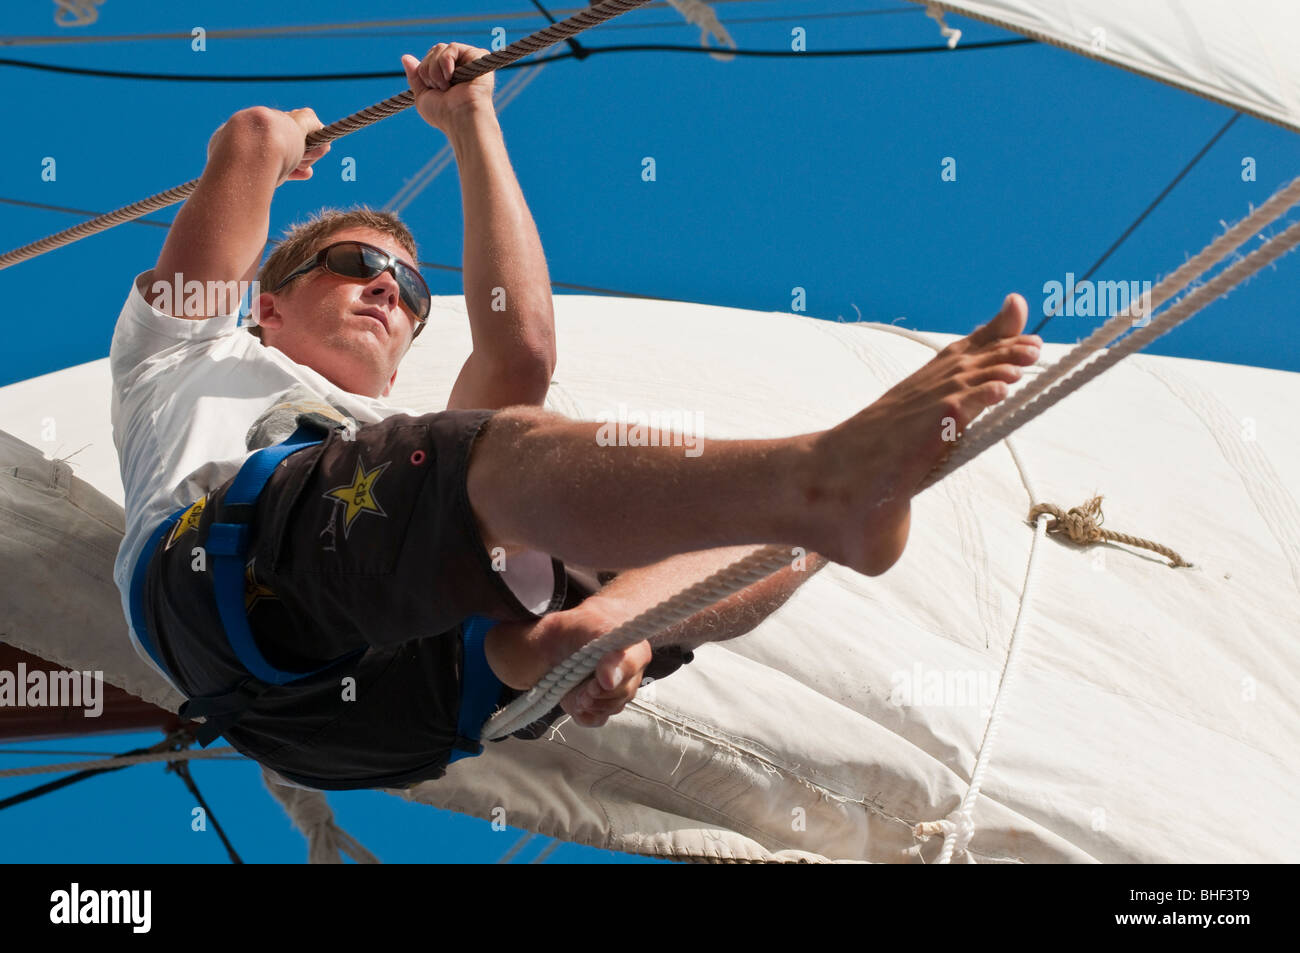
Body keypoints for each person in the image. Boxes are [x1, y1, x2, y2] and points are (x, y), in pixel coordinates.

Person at [109, 44, 1042, 791]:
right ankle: (811, 487)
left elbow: (521, 351)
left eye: (413, 286)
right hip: (223, 596)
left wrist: (473, 121)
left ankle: (606, 624)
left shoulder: (409, 453)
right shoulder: (189, 354)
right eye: (356, 262)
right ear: (267, 304)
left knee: (731, 531)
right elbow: (248, 137)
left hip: (393, 720)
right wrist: (284, 138)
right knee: (484, 464)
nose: (388, 284)